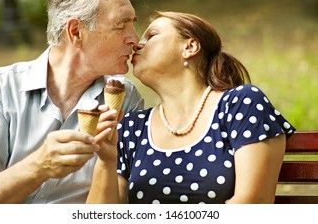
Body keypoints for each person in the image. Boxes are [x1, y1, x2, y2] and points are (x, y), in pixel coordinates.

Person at [87, 11, 296, 204]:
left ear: (190, 47)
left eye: (152, 36)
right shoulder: (131, 127)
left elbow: (253, 203)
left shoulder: (240, 105)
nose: (137, 45)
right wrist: (105, 161)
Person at [0, 0, 144, 204]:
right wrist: (39, 166)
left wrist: (106, 161)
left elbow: (114, 208)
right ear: (75, 32)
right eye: (120, 26)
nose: (135, 38)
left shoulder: (126, 98)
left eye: (132, 25)